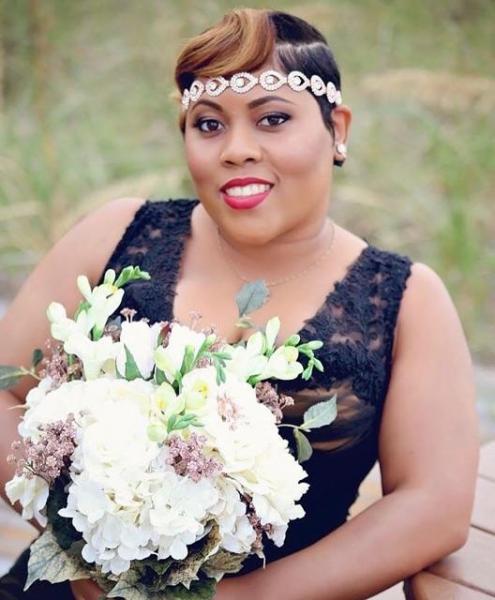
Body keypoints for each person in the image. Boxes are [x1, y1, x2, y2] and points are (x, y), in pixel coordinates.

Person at [0, 8, 479, 600]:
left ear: (339, 130)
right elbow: (5, 393)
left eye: (273, 119)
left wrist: (239, 599)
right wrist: (84, 553)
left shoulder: (406, 300)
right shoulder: (117, 235)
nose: (237, 149)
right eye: (208, 125)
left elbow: (433, 506)